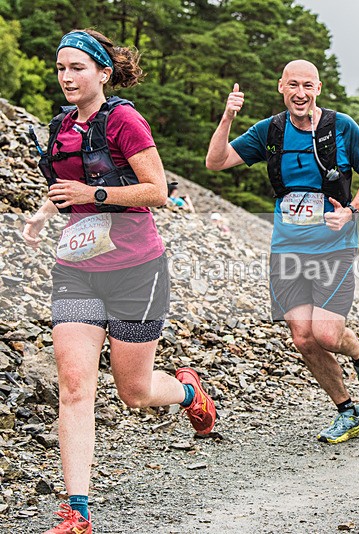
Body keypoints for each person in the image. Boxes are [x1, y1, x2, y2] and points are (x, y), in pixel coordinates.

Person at [21, 30, 216, 534]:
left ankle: (188, 393)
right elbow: (63, 186)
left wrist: (96, 193)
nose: (66, 77)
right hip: (77, 270)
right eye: (61, 67)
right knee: (74, 386)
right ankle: (78, 510)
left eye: (77, 68)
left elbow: (156, 190)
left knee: (133, 391)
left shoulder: (124, 119)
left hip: (136, 271)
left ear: (103, 73)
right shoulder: (61, 125)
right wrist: (44, 214)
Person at [206, 60, 359, 444]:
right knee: (302, 338)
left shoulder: (342, 128)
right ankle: (347, 411)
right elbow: (216, 162)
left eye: (307, 85)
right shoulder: (269, 130)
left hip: (334, 247)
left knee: (325, 332)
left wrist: (352, 210)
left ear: (318, 88)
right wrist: (227, 117)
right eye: (293, 85)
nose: (300, 93)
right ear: (281, 87)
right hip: (286, 248)